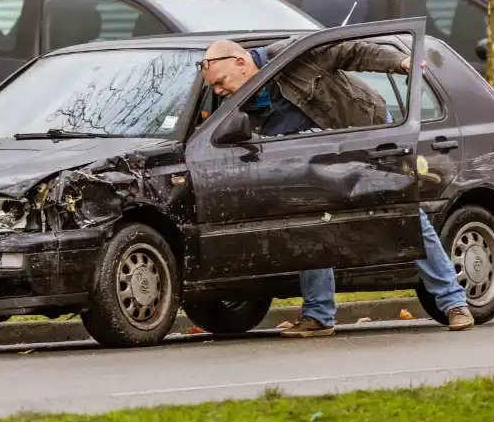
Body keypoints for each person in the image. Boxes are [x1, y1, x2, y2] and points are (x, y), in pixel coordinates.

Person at [198, 38, 474, 335]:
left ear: (241, 63)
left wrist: (399, 62)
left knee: (404, 217)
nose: (218, 91)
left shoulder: (292, 56)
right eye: (213, 86)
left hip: (364, 135)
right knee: (310, 226)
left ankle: (454, 303)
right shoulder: (236, 99)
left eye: (220, 82)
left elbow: (352, 51)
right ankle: (318, 316)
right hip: (312, 156)